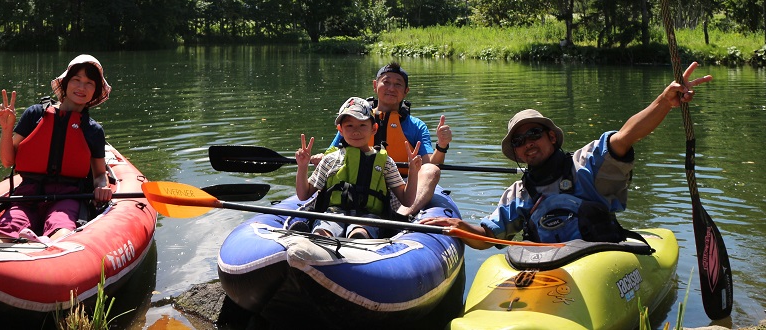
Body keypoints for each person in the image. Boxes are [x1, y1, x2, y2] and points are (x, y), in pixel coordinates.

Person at [421, 61, 712, 248]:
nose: (527, 143)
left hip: (599, 260)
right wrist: (460, 228)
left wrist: (664, 101)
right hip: (550, 268)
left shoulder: (586, 163)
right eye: (519, 140)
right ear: (517, 153)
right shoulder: (518, 195)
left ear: (551, 136)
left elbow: (626, 135)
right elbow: (490, 235)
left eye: (534, 133)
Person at [0, 54, 114, 240]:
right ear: (65, 83)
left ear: (95, 91)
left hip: (67, 199)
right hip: (27, 197)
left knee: (62, 233)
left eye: (89, 83)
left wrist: (102, 187)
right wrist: (6, 130)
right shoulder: (34, 114)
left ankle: (42, 252)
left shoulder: (93, 130)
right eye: (76, 80)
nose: (81, 87)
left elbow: (99, 174)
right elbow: (8, 161)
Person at [321, 62, 453, 217]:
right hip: (356, 182)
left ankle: (400, 217)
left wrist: (442, 146)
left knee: (432, 170)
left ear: (406, 91)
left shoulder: (417, 126)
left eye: (398, 84)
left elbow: (429, 164)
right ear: (375, 85)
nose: (391, 88)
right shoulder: (354, 120)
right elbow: (330, 155)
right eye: (386, 82)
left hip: (401, 186)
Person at [295, 97, 422, 238]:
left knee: (360, 231)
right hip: (333, 214)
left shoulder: (385, 162)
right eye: (349, 126)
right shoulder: (330, 160)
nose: (356, 131)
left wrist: (413, 172)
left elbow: (407, 200)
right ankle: (317, 241)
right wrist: (302, 166)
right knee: (324, 229)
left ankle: (357, 243)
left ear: (373, 128)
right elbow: (303, 194)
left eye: (362, 125)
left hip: (369, 218)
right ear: (340, 130)